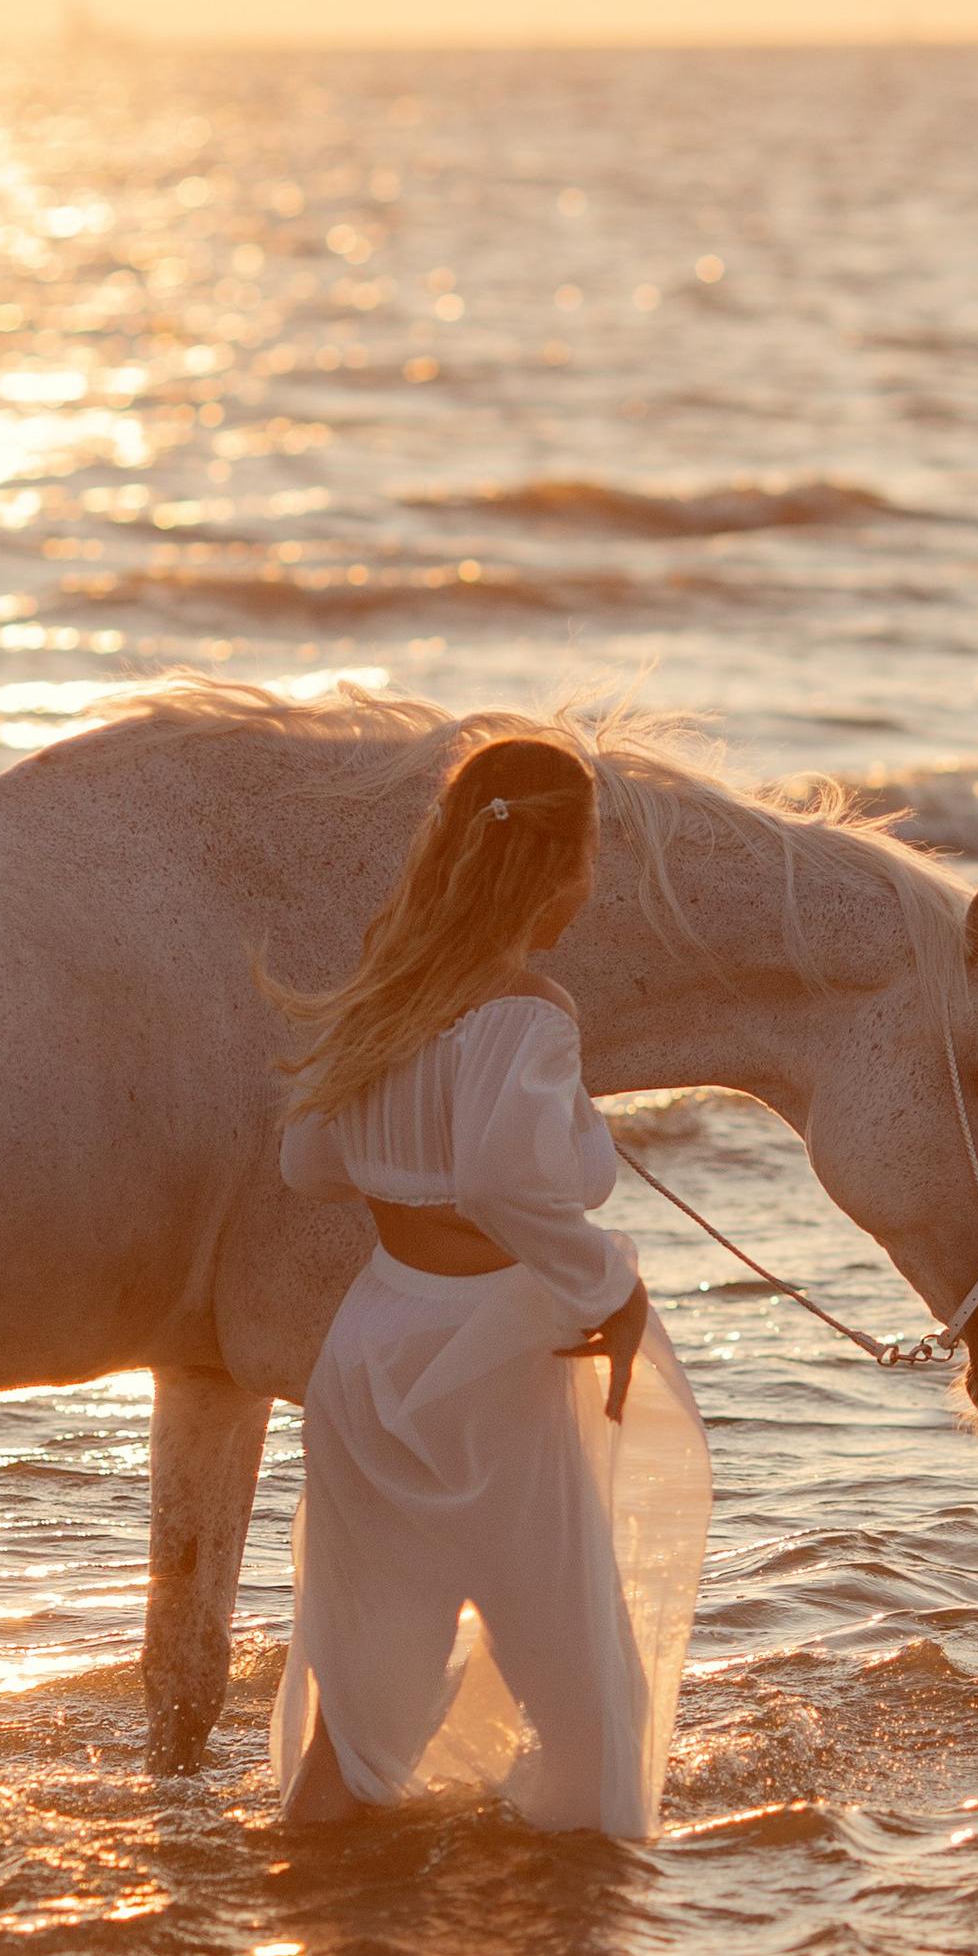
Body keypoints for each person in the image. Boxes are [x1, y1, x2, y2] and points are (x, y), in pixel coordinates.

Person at [262, 734, 712, 1838]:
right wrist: (609, 1290)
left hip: (369, 1343)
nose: (590, 881)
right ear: (559, 867)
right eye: (591, 855)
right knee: (586, 1693)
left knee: (364, 1714)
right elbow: (501, 1176)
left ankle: (314, 1946)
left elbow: (307, 1162)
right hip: (492, 1362)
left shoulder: (390, 994)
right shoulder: (527, 1011)